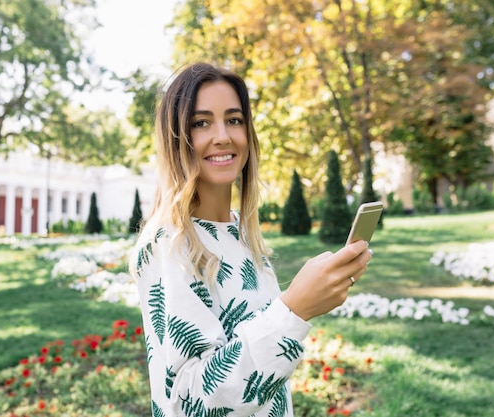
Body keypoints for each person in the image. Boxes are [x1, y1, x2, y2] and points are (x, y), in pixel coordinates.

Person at [129, 62, 372, 417]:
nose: (223, 136)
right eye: (201, 123)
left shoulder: (241, 232)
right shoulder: (167, 245)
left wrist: (310, 297)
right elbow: (192, 402)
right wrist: (294, 311)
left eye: (234, 119)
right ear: (176, 138)